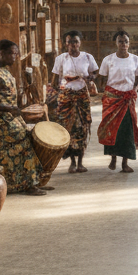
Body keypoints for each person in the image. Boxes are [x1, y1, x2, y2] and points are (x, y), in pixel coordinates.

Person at [0, 40, 46, 196]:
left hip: (10, 116)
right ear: (0, 53)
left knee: (10, 147)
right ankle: (29, 184)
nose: (14, 57)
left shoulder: (5, 71)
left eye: (16, 53)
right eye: (11, 53)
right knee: (24, 139)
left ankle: (9, 184)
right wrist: (8, 108)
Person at [50, 30, 98, 173]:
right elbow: (53, 81)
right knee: (68, 128)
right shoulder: (61, 59)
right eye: (69, 42)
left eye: (75, 42)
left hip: (82, 96)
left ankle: (81, 162)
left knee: (83, 127)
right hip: (66, 97)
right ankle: (71, 162)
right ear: (65, 44)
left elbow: (95, 72)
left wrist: (90, 77)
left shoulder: (88, 57)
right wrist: (60, 91)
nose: (73, 45)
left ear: (80, 43)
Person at [97, 31, 138, 172]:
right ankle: (112, 159)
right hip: (112, 99)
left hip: (128, 99)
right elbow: (102, 78)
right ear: (116, 43)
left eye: (125, 41)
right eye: (120, 41)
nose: (123, 44)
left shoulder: (135, 59)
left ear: (129, 44)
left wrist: (134, 90)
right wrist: (107, 93)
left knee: (127, 130)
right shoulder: (108, 59)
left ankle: (125, 163)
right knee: (111, 128)